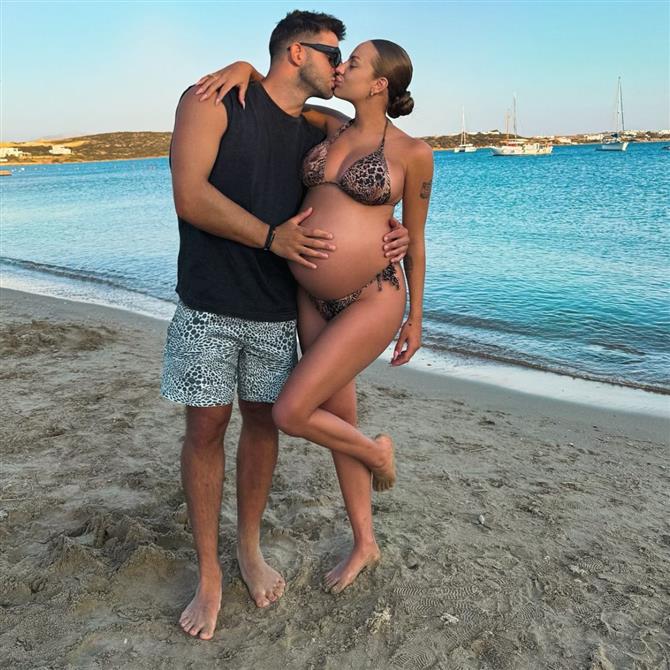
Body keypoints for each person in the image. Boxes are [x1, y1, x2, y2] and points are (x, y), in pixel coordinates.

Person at [161, 11, 409, 641]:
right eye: (333, 54)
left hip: (278, 308)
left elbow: (374, 155)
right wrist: (273, 238)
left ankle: (248, 548)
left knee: (263, 424)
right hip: (209, 302)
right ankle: (209, 574)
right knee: (205, 429)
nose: (341, 65)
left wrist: (391, 231)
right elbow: (190, 196)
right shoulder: (212, 100)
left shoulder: (317, 129)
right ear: (298, 52)